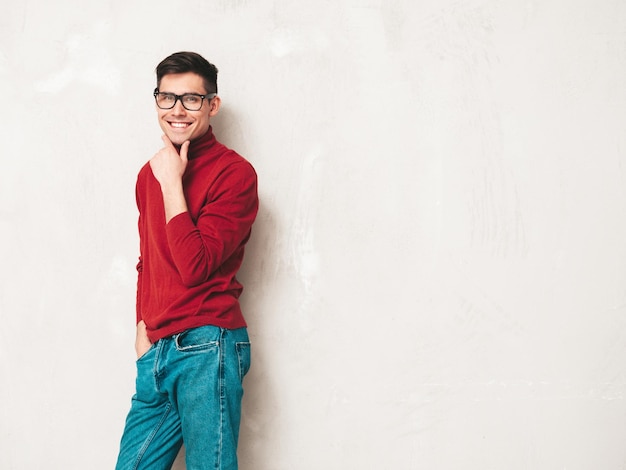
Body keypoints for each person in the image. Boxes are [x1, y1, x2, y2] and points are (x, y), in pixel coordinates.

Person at [115, 51, 258, 470]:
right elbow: (150, 259)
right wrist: (142, 328)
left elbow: (195, 266)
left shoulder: (235, 173)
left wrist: (173, 183)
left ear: (212, 105)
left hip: (207, 345)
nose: (177, 110)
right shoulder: (149, 173)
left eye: (191, 99)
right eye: (167, 97)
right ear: (156, 100)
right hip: (157, 350)